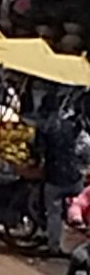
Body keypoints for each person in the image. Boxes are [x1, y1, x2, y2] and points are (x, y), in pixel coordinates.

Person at [34, 98, 90, 255]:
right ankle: (82, 246)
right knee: (80, 209)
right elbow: (82, 149)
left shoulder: (44, 128)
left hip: (54, 177)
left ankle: (54, 246)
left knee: (53, 213)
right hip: (74, 176)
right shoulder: (72, 127)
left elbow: (38, 151)